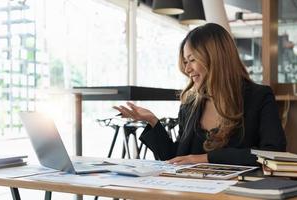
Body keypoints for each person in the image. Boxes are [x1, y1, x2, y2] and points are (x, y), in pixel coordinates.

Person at [113, 23, 286, 166]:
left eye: (192, 60)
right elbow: (176, 158)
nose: (187, 69)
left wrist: (207, 158)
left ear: (215, 57)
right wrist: (152, 121)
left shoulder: (259, 97)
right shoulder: (190, 105)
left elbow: (273, 155)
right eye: (185, 62)